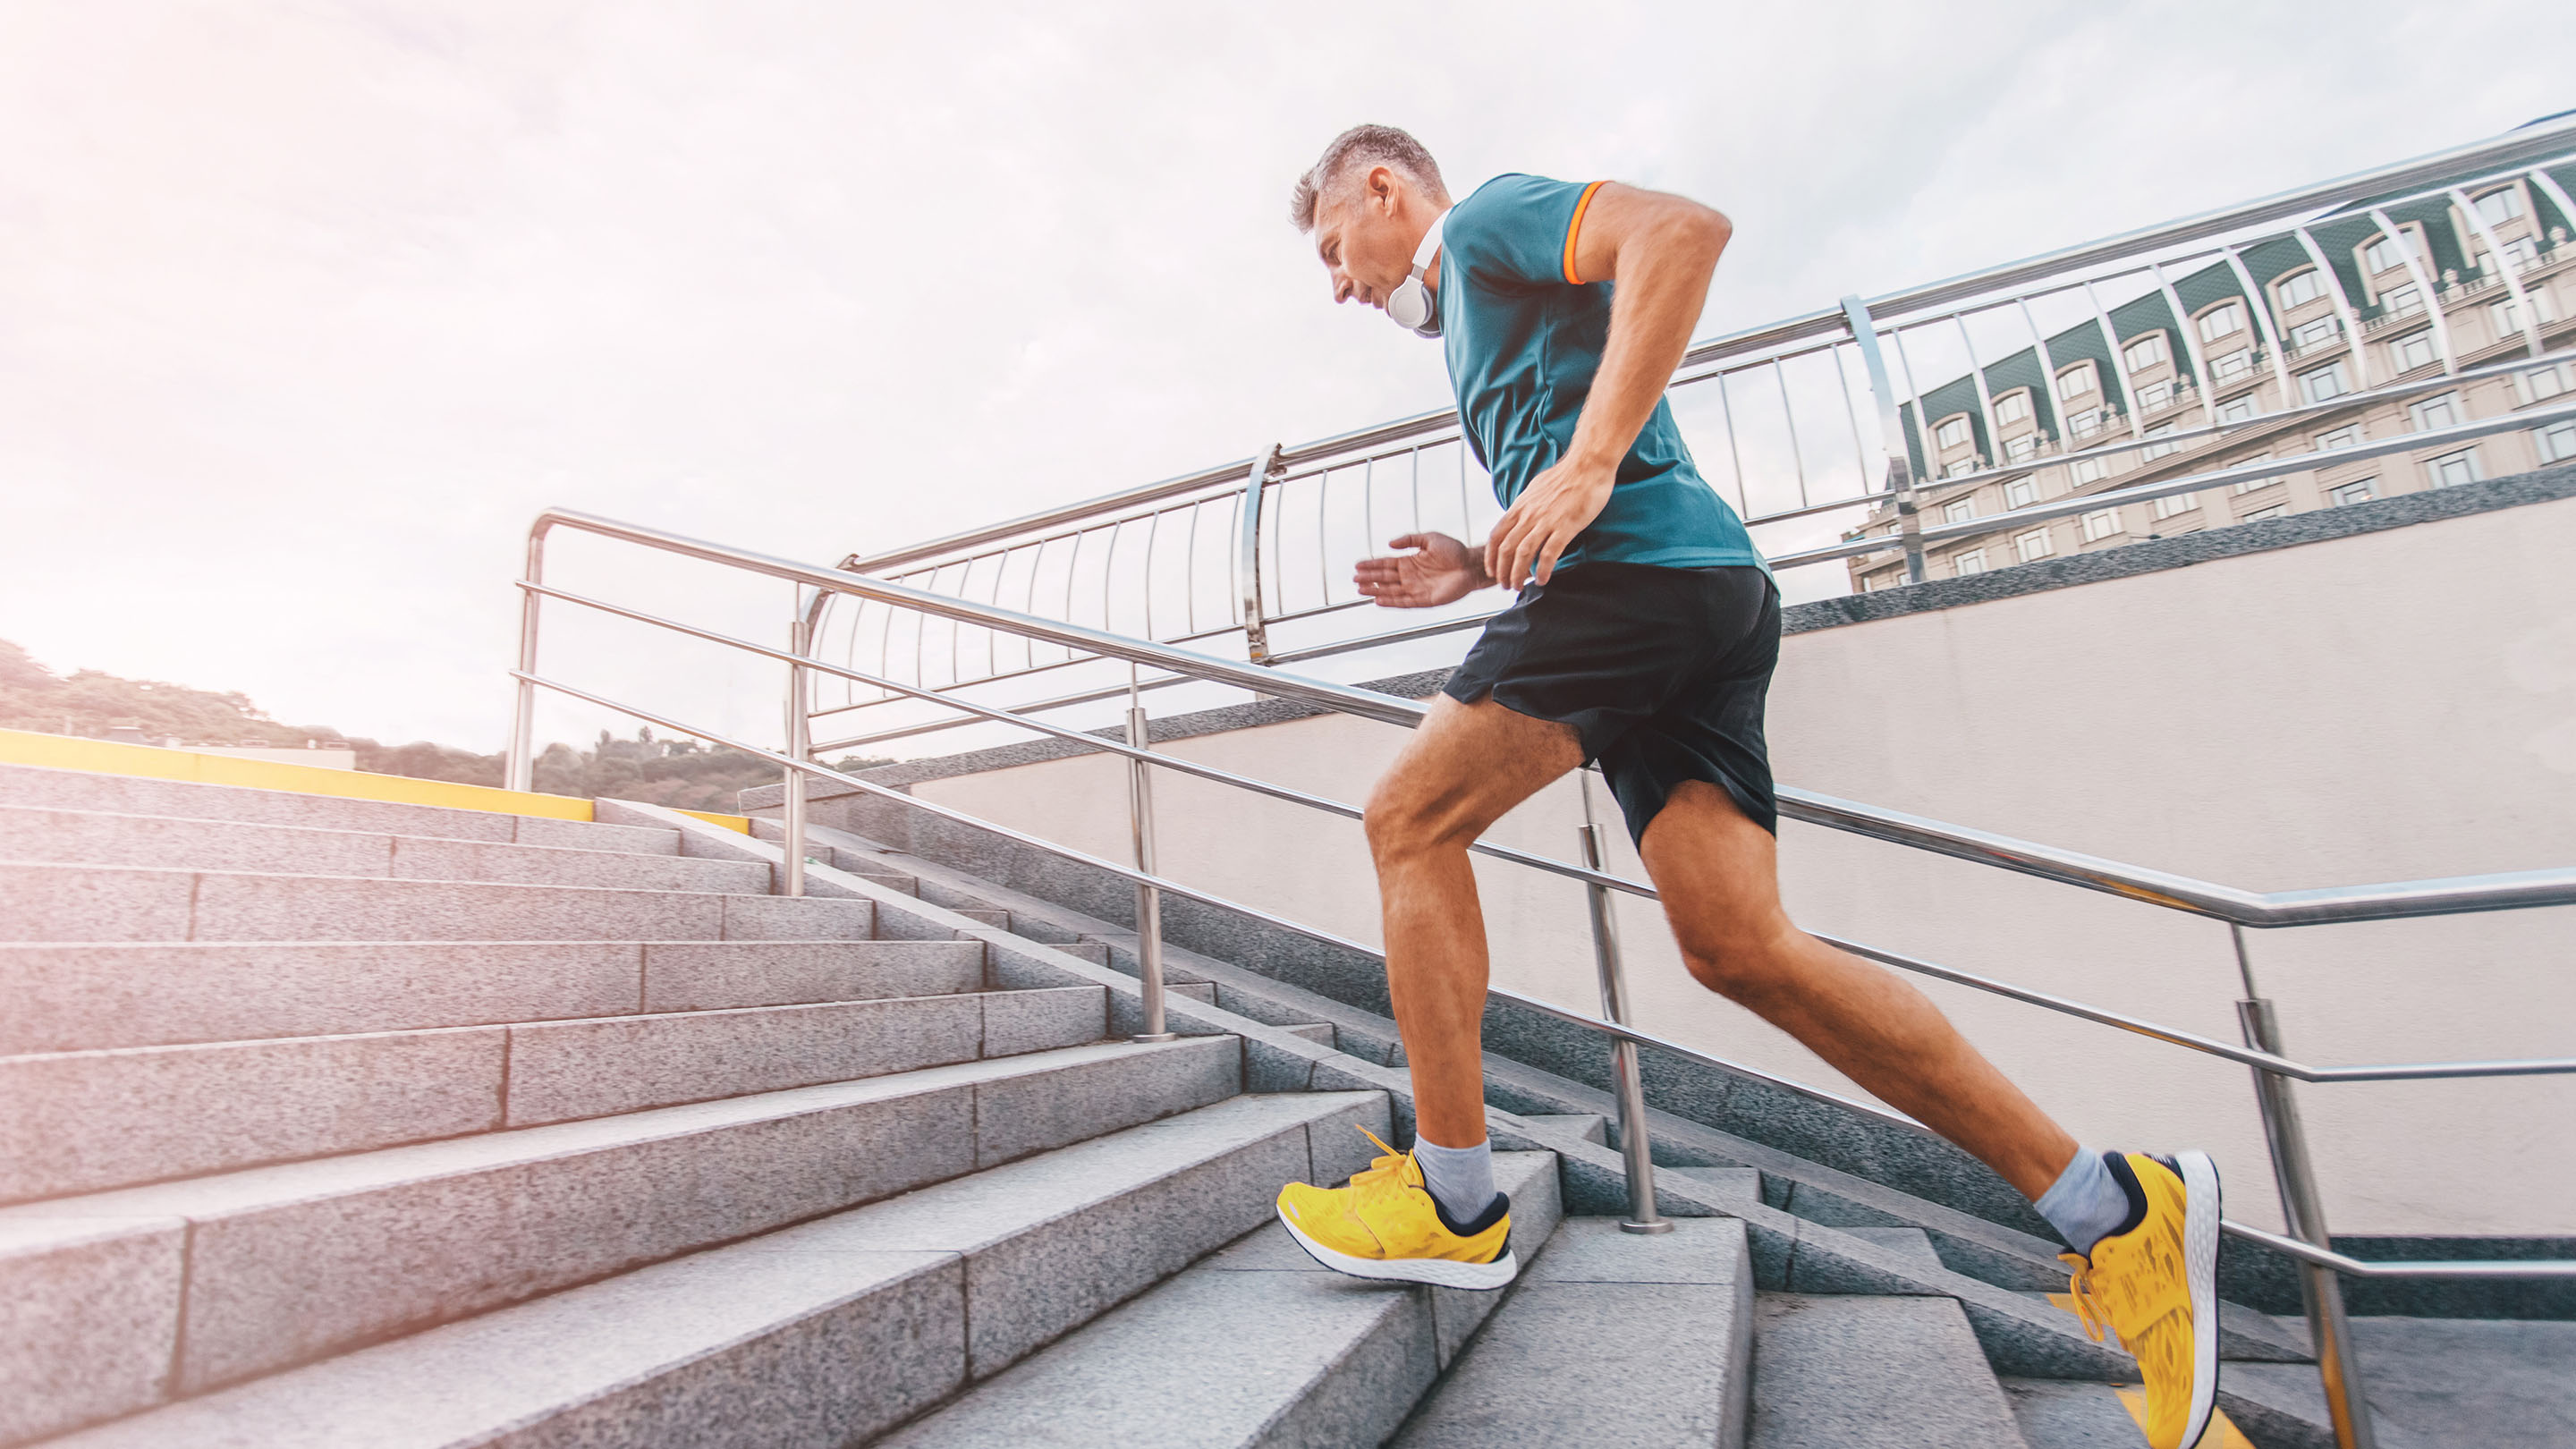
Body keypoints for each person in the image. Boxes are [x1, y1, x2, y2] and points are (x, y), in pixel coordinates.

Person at [1266, 124, 2223, 1449]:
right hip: (1702, 599)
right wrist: (1479, 567)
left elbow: (1682, 231)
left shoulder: (1484, 225)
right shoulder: (1485, 317)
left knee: (1406, 819)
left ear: (1383, 190)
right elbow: (1583, 454)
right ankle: (2114, 1211)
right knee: (1740, 947)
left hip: (1643, 586)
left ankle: (1456, 1198)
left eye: (1332, 250)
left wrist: (1589, 466)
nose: (1339, 286)